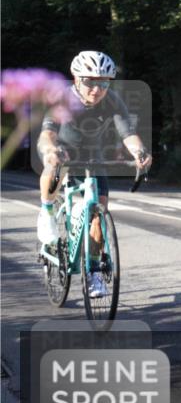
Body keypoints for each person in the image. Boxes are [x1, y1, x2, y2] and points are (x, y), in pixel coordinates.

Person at [36, 50, 153, 298]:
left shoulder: (112, 101)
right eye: (90, 82)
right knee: (53, 165)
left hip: (93, 159)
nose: (96, 89)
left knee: (97, 217)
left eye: (103, 83)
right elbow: (47, 133)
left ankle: (94, 273)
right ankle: (47, 211)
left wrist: (140, 151)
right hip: (63, 152)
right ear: (76, 78)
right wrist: (50, 150)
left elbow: (127, 133)